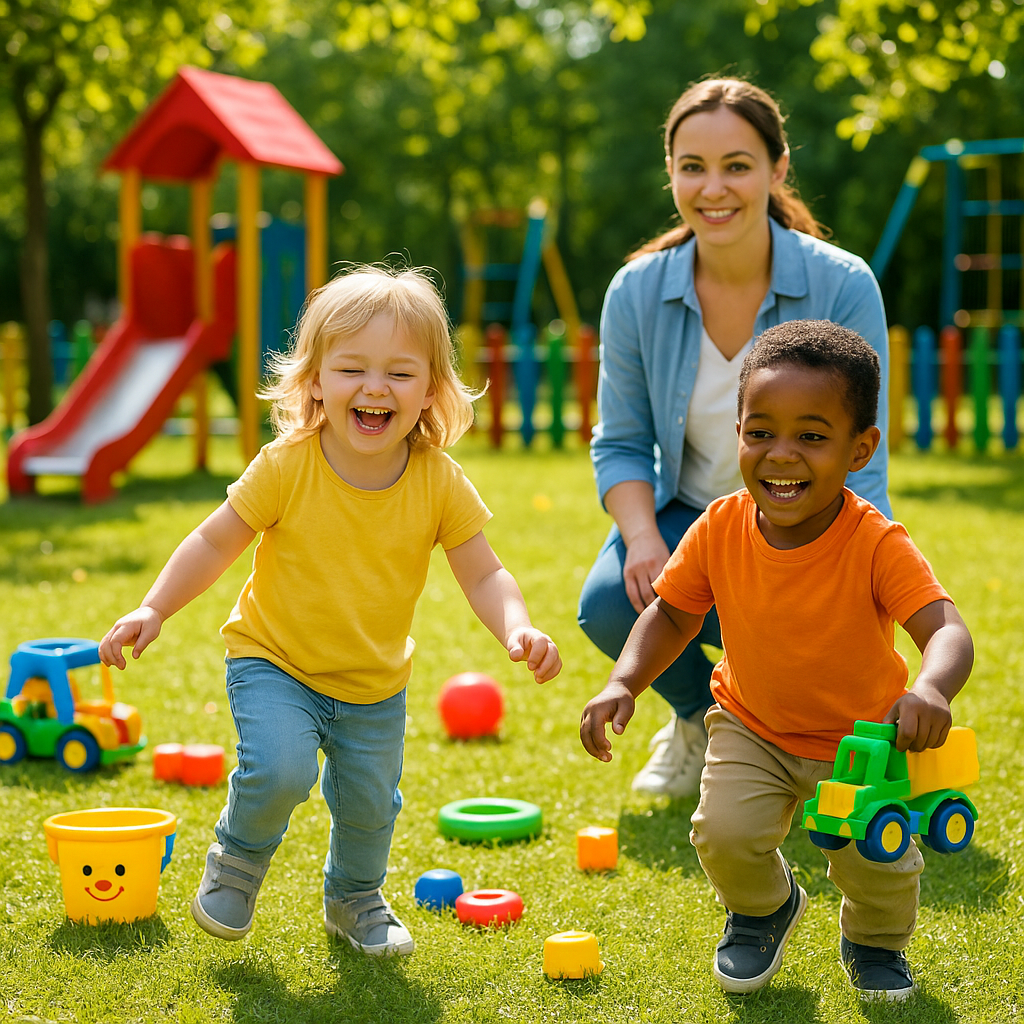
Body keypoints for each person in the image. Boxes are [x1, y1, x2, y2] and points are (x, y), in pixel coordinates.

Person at [99, 266, 561, 957]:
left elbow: (484, 570)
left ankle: (354, 899)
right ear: (314, 379)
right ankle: (236, 863)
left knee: (372, 808)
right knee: (281, 770)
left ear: (432, 389)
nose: (375, 388)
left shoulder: (438, 479)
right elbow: (215, 538)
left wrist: (517, 625)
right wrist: (153, 606)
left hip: (373, 683)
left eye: (400, 374)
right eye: (353, 369)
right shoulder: (288, 464)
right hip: (275, 661)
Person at [580, 321, 973, 1000]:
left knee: (873, 864)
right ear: (737, 433)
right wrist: (624, 681)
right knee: (724, 835)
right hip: (751, 725)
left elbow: (947, 628)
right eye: (759, 432)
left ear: (860, 449)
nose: (780, 455)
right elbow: (672, 613)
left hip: (862, 744)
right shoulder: (721, 526)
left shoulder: (876, 543)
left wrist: (933, 688)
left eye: (811, 437)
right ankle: (764, 910)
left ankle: (876, 944)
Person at [577, 77, 892, 799]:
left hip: (812, 520)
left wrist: (853, 568)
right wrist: (645, 540)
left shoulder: (842, 285)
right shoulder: (635, 292)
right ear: (671, 174)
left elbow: (860, 453)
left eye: (737, 165)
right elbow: (621, 440)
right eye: (692, 166)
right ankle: (701, 719)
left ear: (778, 169)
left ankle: (796, 738)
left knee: (810, 629)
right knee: (608, 599)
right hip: (691, 512)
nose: (712, 188)